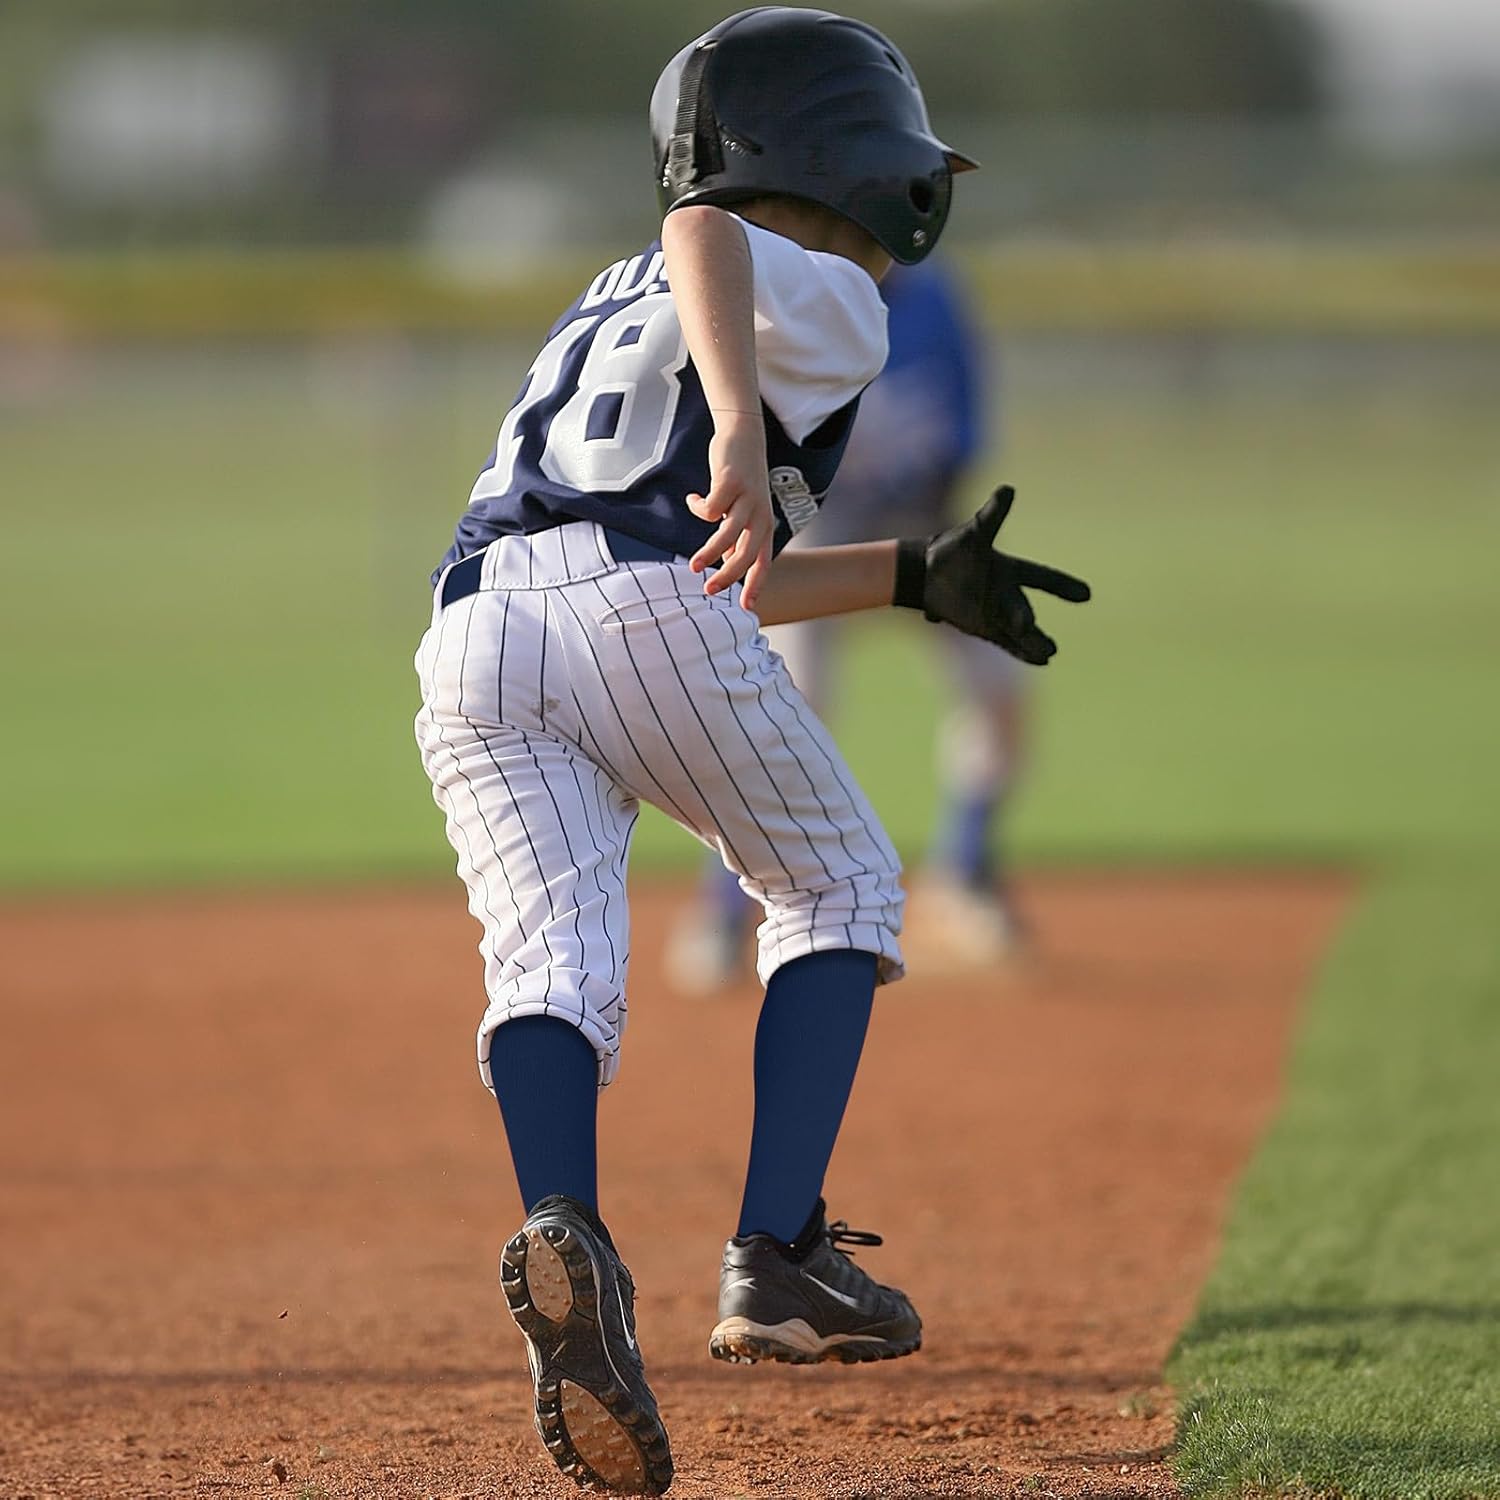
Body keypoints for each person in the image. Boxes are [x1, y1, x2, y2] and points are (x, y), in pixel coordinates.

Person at [412, 9, 1089, 1494]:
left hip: (475, 631)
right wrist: (736, 425)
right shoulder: (820, 287)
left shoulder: (603, 296)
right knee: (839, 885)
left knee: (549, 966)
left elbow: (718, 560)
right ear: (856, 163)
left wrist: (907, 576)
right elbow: (706, 228)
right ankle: (779, 1255)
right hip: (635, 605)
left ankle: (566, 1229)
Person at [669, 255, 1030, 992]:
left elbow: (960, 433)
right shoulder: (792, 296)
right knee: (781, 708)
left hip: (921, 524)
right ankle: (724, 911)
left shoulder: (933, 298)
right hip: (817, 534)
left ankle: (966, 871)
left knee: (1000, 686)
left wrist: (945, 555)